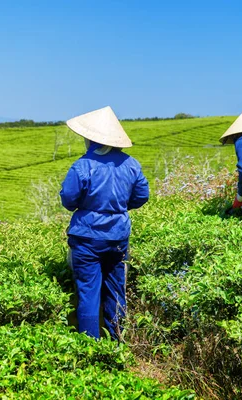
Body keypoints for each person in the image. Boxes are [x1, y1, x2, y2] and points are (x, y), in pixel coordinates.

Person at [60, 106, 149, 340]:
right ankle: (118, 340)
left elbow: (68, 199)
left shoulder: (82, 165)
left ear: (91, 138)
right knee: (116, 287)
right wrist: (117, 209)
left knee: (88, 292)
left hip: (87, 236)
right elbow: (142, 196)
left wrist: (91, 207)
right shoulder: (131, 164)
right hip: (118, 234)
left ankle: (90, 346)